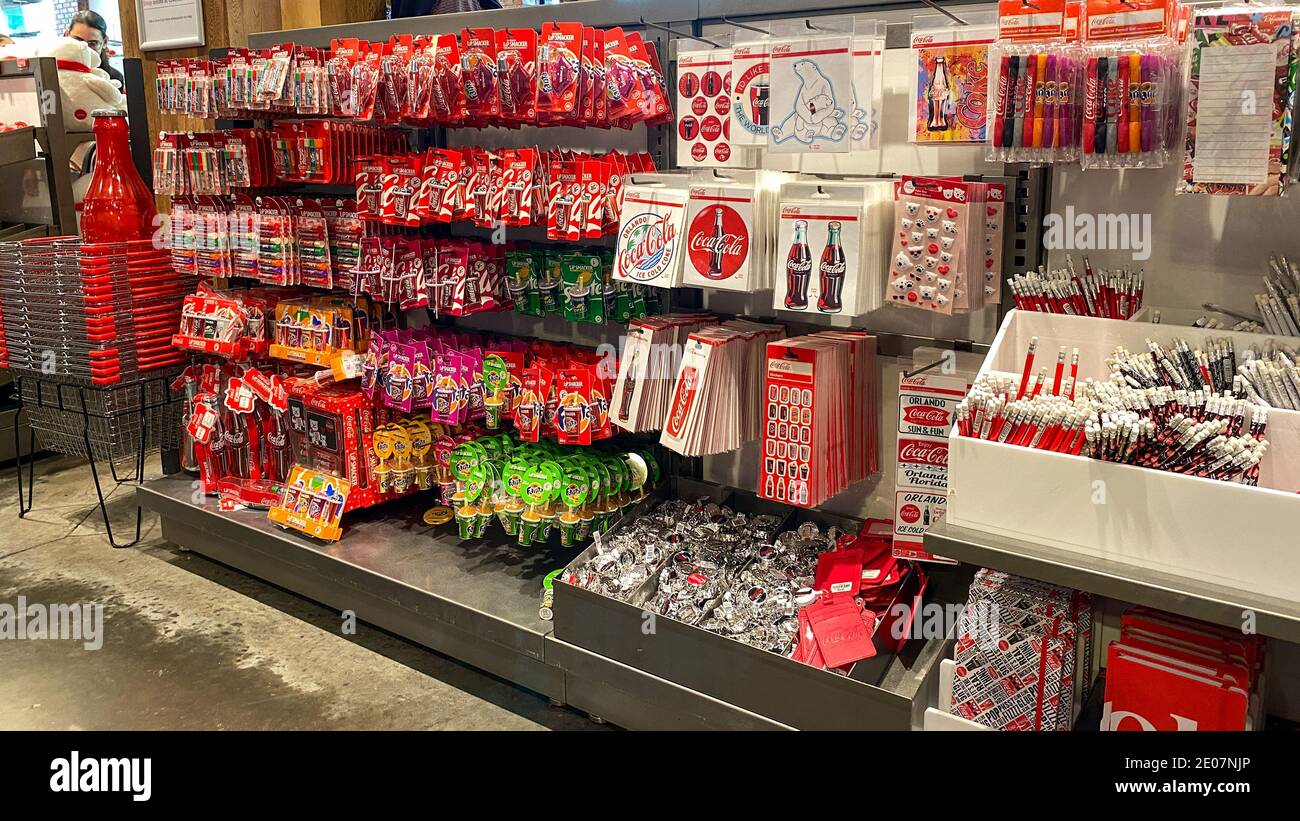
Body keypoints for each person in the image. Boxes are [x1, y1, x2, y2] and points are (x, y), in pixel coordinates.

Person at [66, 10, 124, 91]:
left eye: (92, 43)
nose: (84, 48)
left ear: (105, 42)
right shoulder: (56, 72)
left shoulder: (114, 78)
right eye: (78, 41)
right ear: (66, 35)